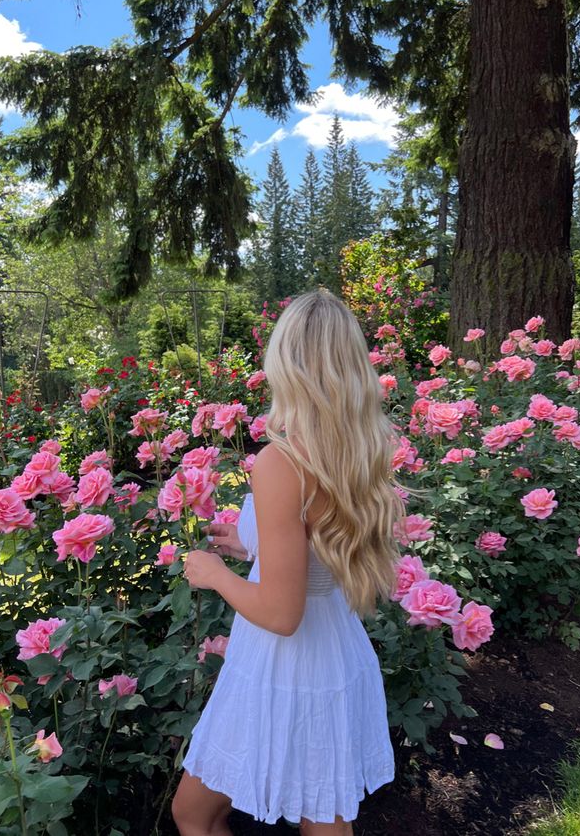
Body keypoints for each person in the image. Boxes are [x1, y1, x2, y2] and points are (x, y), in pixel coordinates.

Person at [174, 289, 405, 836]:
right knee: (324, 818)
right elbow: (317, 553)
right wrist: (252, 546)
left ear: (288, 364)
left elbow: (281, 613)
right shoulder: (355, 450)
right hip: (335, 657)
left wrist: (215, 574)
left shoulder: (283, 461)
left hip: (282, 667)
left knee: (193, 815)